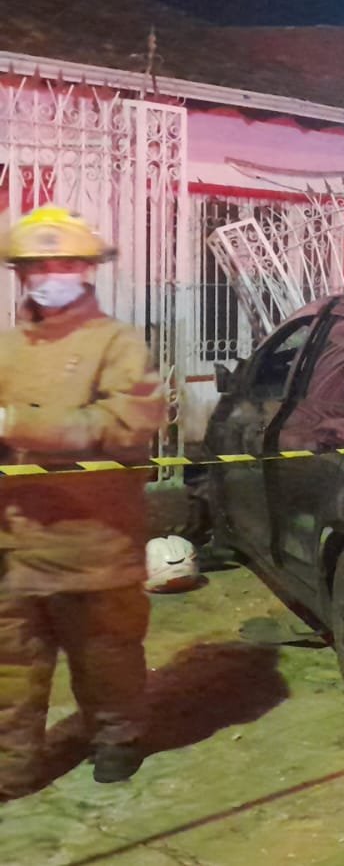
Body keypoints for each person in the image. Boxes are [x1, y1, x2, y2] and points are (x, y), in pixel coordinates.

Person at [0, 205, 165, 798]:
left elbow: (128, 423)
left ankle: (117, 738)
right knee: (10, 667)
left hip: (97, 544)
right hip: (17, 544)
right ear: (21, 273)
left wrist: (18, 423)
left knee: (106, 657)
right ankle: (11, 769)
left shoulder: (117, 345)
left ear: (88, 268)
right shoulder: (6, 348)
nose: (51, 273)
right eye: (38, 264)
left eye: (65, 261)